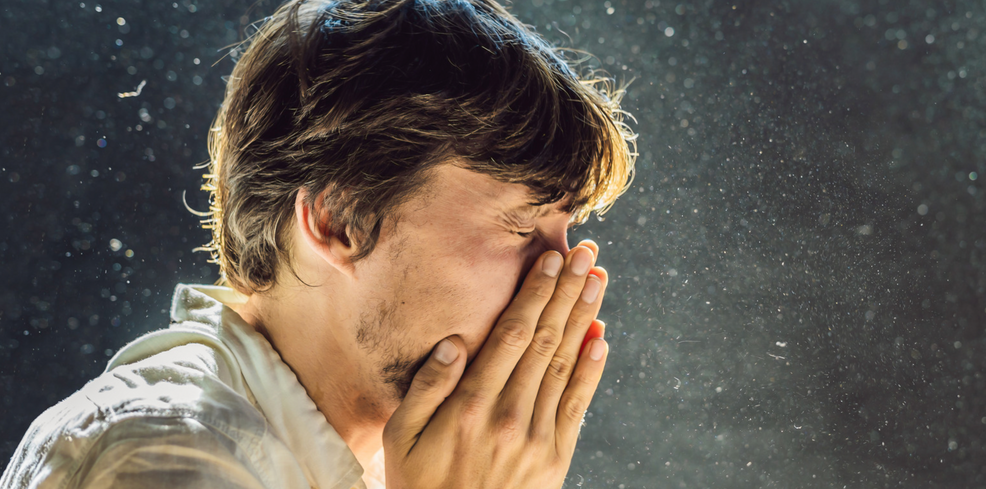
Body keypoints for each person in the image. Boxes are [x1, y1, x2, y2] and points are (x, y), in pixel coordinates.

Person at [1, 0, 636, 487]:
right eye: (521, 225)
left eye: (567, 231)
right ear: (342, 222)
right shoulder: (167, 455)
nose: (563, 275)